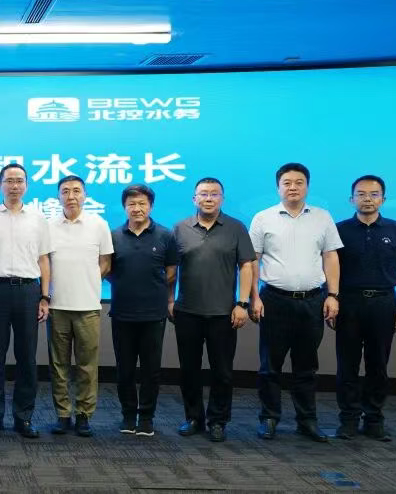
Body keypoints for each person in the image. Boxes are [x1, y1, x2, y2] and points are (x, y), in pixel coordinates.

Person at [249, 162, 342, 442]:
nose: (293, 187)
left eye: (299, 182)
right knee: (270, 365)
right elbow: (252, 261)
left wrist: (333, 295)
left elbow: (330, 257)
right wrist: (254, 297)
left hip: (313, 301)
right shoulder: (263, 218)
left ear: (307, 186)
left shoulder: (322, 217)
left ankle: (307, 420)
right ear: (278, 187)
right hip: (274, 300)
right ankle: (269, 418)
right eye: (287, 183)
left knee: (306, 366)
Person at [334, 175, 396, 441]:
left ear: (383, 199)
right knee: (347, 364)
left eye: (373, 194)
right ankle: (348, 420)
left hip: (384, 302)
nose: (367, 199)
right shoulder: (339, 230)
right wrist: (332, 299)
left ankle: (373, 419)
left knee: (378, 364)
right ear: (351, 199)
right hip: (349, 302)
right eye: (361, 194)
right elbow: (330, 269)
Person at [172, 177, 255, 442]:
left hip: (223, 313)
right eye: (204, 194)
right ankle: (193, 417)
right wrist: (169, 300)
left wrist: (242, 303)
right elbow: (171, 269)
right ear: (194, 198)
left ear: (222, 198)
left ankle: (218, 420)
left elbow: (246, 266)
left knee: (222, 371)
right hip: (187, 311)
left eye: (214, 194)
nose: (209, 198)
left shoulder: (236, 227)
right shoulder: (180, 228)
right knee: (189, 370)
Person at [0, 163, 52, 439]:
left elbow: (44, 260)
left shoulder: (38, 218)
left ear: (26, 186)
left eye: (19, 180)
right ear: (0, 185)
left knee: (27, 358)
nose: (14, 185)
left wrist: (44, 296)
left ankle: (24, 417)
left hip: (28, 292)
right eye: (9, 180)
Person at [108, 183, 177, 438]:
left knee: (151, 369)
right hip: (122, 312)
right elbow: (108, 270)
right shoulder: (114, 236)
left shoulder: (166, 235)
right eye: (131, 204)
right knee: (124, 369)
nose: (137, 208)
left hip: (153, 314)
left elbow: (171, 271)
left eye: (142, 204)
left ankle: (146, 417)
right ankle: (128, 415)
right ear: (124, 207)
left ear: (151, 206)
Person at [46, 175, 113, 438]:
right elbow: (43, 263)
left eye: (76, 191)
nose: (71, 196)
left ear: (85, 195)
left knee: (87, 365)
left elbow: (105, 262)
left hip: (88, 307)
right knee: (58, 364)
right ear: (58, 196)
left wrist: (89, 281)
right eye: (65, 191)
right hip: (57, 306)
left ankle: (84, 415)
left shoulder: (99, 224)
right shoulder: (48, 226)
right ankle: (63, 415)